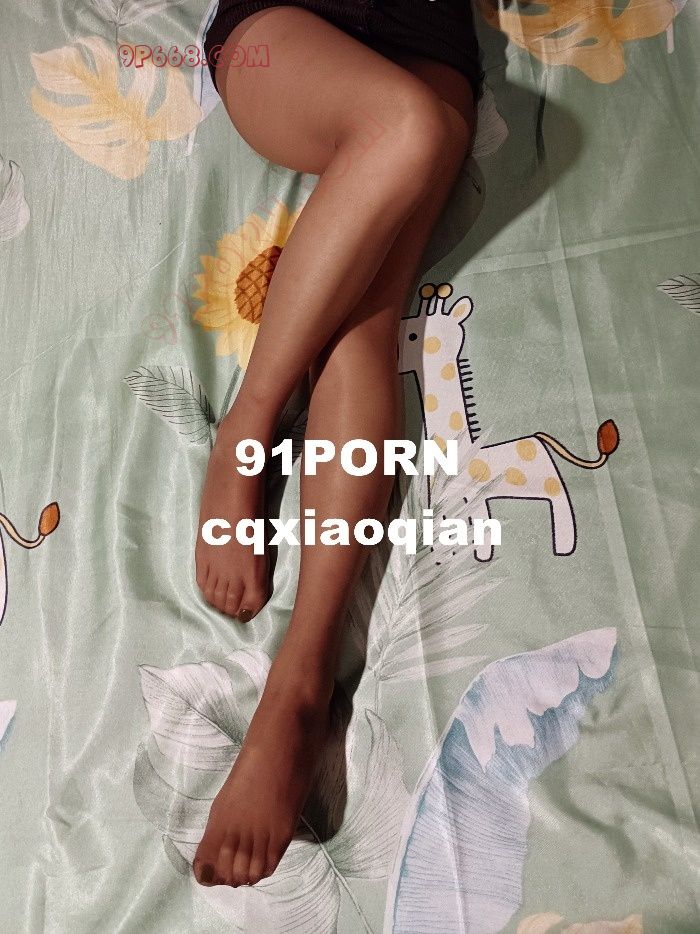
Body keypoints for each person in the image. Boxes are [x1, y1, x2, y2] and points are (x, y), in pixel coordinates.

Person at [193, 0, 485, 889]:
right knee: (408, 128)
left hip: (430, 32)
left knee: (364, 320)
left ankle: (302, 683)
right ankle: (247, 431)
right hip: (284, 25)